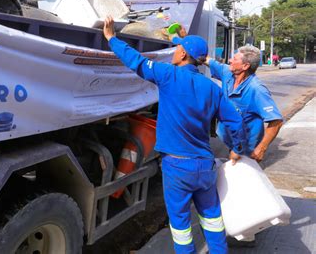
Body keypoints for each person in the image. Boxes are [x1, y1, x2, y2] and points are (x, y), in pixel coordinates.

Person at [103, 16, 247, 254]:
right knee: (212, 218)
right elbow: (235, 121)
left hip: (177, 167)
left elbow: (135, 60)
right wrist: (236, 149)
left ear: (181, 55)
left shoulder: (167, 75)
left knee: (180, 226)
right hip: (204, 166)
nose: (174, 52)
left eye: (177, 49)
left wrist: (111, 38)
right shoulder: (212, 87)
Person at [205, 45, 283, 162]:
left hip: (247, 147)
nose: (230, 60)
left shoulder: (257, 90)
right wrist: (184, 39)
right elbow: (206, 59)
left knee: (244, 175)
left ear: (245, 66)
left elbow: (276, 122)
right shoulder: (227, 73)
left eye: (235, 59)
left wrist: (261, 148)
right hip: (231, 139)